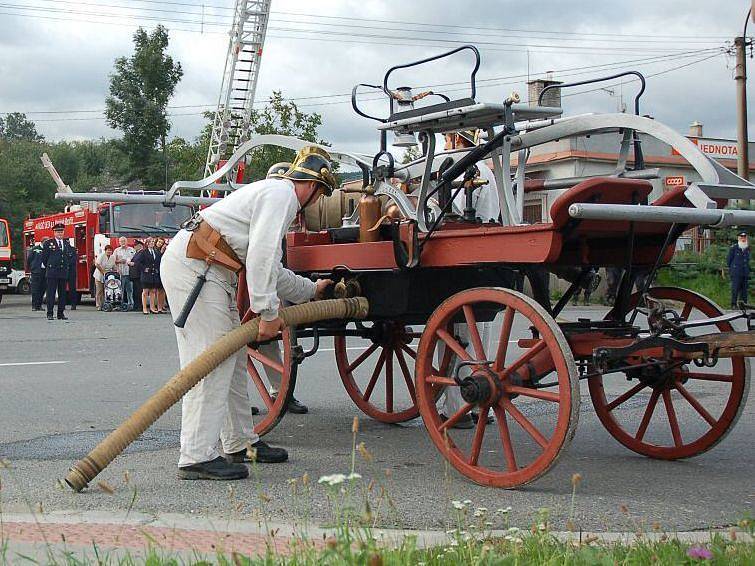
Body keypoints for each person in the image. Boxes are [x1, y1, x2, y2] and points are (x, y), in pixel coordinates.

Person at [160, 145, 336, 480]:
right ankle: (195, 456)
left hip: (208, 269)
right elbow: (260, 258)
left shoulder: (273, 193)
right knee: (210, 361)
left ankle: (240, 442)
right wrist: (268, 313)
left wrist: (311, 290)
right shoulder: (282, 196)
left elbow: (271, 268)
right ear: (314, 188)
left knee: (233, 358)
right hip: (197, 270)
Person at [438, 130, 499, 428]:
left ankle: (457, 407)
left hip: (458, 261)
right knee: (480, 336)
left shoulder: (462, 167)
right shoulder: (490, 170)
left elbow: (455, 212)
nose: (445, 144)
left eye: (447, 139)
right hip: (488, 258)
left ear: (456, 140)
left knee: (456, 336)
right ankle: (478, 401)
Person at [249, 161, 309, 416]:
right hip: (252, 286)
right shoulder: (268, 205)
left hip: (278, 281)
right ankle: (271, 393)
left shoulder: (290, 212)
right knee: (264, 342)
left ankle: (281, 392)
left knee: (272, 342)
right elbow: (260, 259)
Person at [41, 223, 76, 320]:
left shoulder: (66, 243)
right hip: (52, 272)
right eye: (57, 232)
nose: (60, 233)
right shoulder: (48, 243)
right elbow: (44, 258)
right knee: (51, 294)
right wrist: (50, 266)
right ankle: (50, 313)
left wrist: (66, 266)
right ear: (54, 233)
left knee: (62, 294)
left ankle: (60, 313)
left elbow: (70, 256)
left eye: (61, 231)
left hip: (63, 272)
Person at [136, 237, 160, 314]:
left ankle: (152, 307)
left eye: (153, 242)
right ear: (147, 243)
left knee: (153, 291)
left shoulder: (156, 252)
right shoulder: (143, 252)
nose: (152, 243)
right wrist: (143, 269)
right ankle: (144, 308)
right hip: (146, 275)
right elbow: (138, 262)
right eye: (150, 242)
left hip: (153, 274)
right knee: (145, 291)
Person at [728, 232, 750, 308]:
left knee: (744, 291)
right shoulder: (734, 248)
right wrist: (732, 270)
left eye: (745, 237)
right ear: (738, 238)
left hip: (745, 272)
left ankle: (743, 305)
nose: (743, 238)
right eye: (741, 237)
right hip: (736, 272)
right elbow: (729, 260)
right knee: (735, 289)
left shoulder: (747, 248)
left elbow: (747, 260)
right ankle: (733, 304)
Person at [114, 236, 136, 311]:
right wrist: (120, 261)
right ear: (119, 242)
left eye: (124, 241)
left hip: (130, 273)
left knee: (130, 290)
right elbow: (114, 261)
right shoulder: (117, 250)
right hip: (121, 273)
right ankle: (121, 304)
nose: (123, 243)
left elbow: (135, 260)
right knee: (121, 290)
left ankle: (131, 304)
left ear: (126, 242)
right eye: (121, 241)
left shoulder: (132, 250)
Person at [93, 244, 117, 310]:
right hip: (99, 275)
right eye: (108, 250)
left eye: (110, 251)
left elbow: (114, 266)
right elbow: (97, 264)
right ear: (105, 251)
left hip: (108, 275)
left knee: (106, 290)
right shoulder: (101, 256)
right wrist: (103, 271)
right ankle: (98, 305)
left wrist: (117, 270)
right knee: (99, 290)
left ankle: (104, 304)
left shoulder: (112, 257)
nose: (109, 252)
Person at [27, 240, 46, 311]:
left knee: (42, 289)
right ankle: (34, 306)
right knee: (35, 289)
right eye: (46, 242)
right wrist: (31, 268)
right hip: (36, 272)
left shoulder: (48, 249)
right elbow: (29, 259)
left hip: (44, 272)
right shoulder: (35, 249)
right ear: (42, 242)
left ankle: (39, 305)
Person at [154, 237, 168, 313]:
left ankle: (162, 305)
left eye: (161, 243)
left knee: (163, 290)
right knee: (159, 290)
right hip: (157, 272)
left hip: (163, 271)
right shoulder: (155, 251)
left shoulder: (162, 251)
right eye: (159, 242)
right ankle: (159, 307)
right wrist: (161, 252)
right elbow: (157, 260)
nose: (160, 244)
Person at [129, 240, 144, 311]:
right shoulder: (137, 253)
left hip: (138, 275)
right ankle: (136, 305)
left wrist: (133, 263)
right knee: (135, 291)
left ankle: (139, 306)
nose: (134, 247)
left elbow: (139, 263)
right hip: (135, 275)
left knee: (138, 291)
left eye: (135, 245)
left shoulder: (142, 253)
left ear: (140, 246)